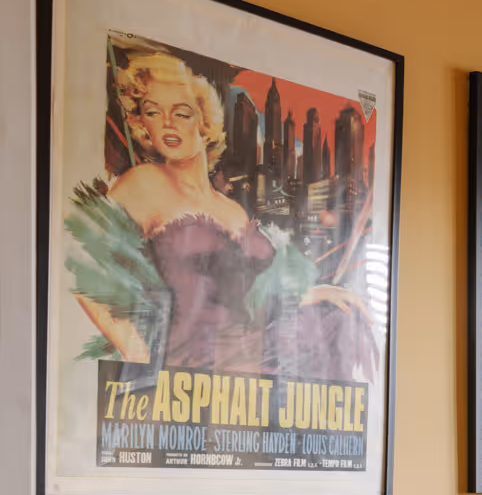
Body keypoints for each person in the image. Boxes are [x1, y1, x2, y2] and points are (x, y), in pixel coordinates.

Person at [66, 47, 378, 385]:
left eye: (181, 113)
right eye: (153, 111)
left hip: (250, 370)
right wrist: (138, 356)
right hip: (188, 374)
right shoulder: (144, 183)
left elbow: (254, 293)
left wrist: (315, 293)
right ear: (142, 124)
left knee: (344, 320)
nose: (167, 122)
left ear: (203, 122)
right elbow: (83, 263)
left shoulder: (231, 209)